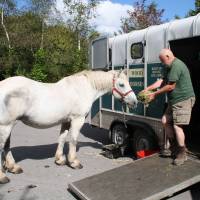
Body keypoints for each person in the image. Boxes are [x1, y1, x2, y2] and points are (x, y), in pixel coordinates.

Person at [143, 48, 195, 165]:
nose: (162, 63)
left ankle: (182, 153)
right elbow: (162, 81)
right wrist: (148, 89)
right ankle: (175, 148)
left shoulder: (177, 65)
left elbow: (170, 86)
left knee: (177, 126)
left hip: (183, 99)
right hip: (174, 100)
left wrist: (154, 94)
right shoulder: (168, 67)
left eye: (162, 60)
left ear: (168, 56)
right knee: (165, 120)